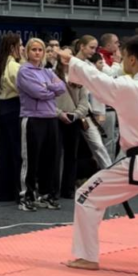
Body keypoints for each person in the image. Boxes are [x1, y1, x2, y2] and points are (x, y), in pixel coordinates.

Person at [57, 34, 138, 270]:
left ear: (133, 59)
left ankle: (87, 257)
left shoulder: (130, 87)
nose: (123, 60)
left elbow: (98, 80)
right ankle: (86, 256)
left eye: (124, 56)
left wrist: (72, 61)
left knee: (86, 196)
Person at [16, 38, 66, 210]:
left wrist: (47, 86)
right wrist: (51, 89)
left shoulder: (47, 71)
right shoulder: (24, 71)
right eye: (34, 49)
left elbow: (62, 87)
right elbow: (39, 93)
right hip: (32, 118)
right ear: (27, 52)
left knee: (49, 158)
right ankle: (26, 196)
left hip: (50, 118)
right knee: (30, 159)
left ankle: (45, 194)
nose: (37, 53)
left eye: (40, 50)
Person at [0, 33, 23, 202]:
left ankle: (2, 189)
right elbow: (23, 88)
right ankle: (15, 190)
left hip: (2, 108)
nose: (22, 49)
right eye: (20, 45)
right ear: (12, 47)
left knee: (4, 150)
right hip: (14, 107)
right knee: (16, 150)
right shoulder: (14, 67)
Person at [74, 35, 113, 170]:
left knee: (98, 145)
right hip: (68, 111)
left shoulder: (90, 66)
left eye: (95, 48)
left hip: (87, 113)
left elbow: (96, 90)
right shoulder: (69, 63)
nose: (94, 51)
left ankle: (109, 174)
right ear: (82, 46)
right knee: (68, 150)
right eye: (91, 47)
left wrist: (100, 112)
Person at [55, 55, 89, 198]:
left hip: (74, 120)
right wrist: (59, 113)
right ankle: (52, 190)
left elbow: (84, 101)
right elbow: (48, 99)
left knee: (72, 155)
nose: (66, 58)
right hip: (56, 119)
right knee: (55, 155)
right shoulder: (51, 75)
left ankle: (68, 188)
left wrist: (75, 115)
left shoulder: (79, 77)